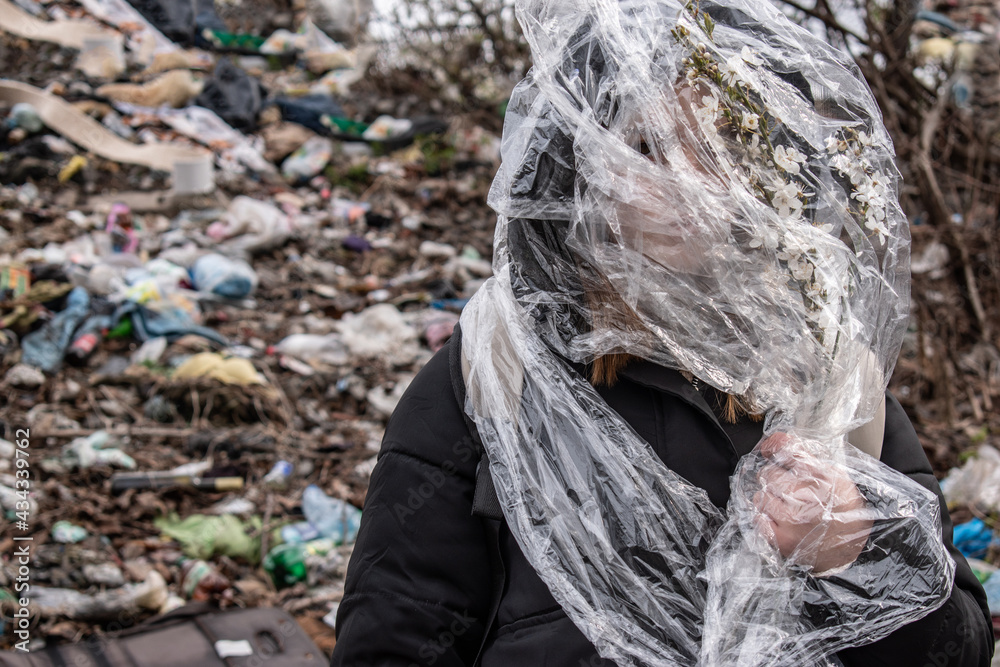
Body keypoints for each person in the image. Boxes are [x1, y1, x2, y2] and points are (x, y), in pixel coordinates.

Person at [330, 0, 994, 664]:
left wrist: (857, 545)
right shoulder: (496, 372)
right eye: (646, 146)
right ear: (577, 163)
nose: (688, 183)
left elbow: (959, 650)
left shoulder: (831, 385)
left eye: (721, 147)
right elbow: (394, 637)